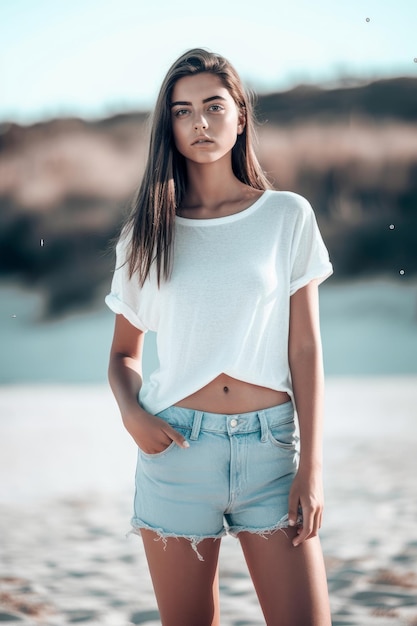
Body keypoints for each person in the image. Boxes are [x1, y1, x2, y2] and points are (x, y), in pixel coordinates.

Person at [106, 48, 333, 626]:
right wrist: (132, 413)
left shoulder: (286, 216)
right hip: (177, 451)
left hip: (271, 454)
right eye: (183, 111)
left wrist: (312, 468)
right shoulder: (148, 232)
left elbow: (304, 348)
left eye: (213, 106)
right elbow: (123, 353)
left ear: (240, 116)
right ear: (169, 126)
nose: (200, 123)